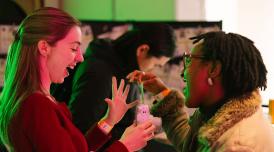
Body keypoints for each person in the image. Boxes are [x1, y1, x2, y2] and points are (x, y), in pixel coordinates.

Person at [0, 7, 156, 152]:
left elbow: (74, 148)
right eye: (74, 48)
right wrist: (126, 146)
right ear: (44, 47)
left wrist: (109, 121)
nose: (81, 58)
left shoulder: (39, 100)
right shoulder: (37, 105)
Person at [127, 31, 274, 152]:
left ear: (213, 69)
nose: (183, 73)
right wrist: (162, 93)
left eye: (189, 61)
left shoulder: (237, 146)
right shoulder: (219, 112)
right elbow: (191, 145)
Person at [51, 23, 176, 151]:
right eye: (155, 65)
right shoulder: (99, 72)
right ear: (142, 50)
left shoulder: (128, 70)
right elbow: (81, 135)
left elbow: (122, 122)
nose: (152, 70)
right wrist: (126, 140)